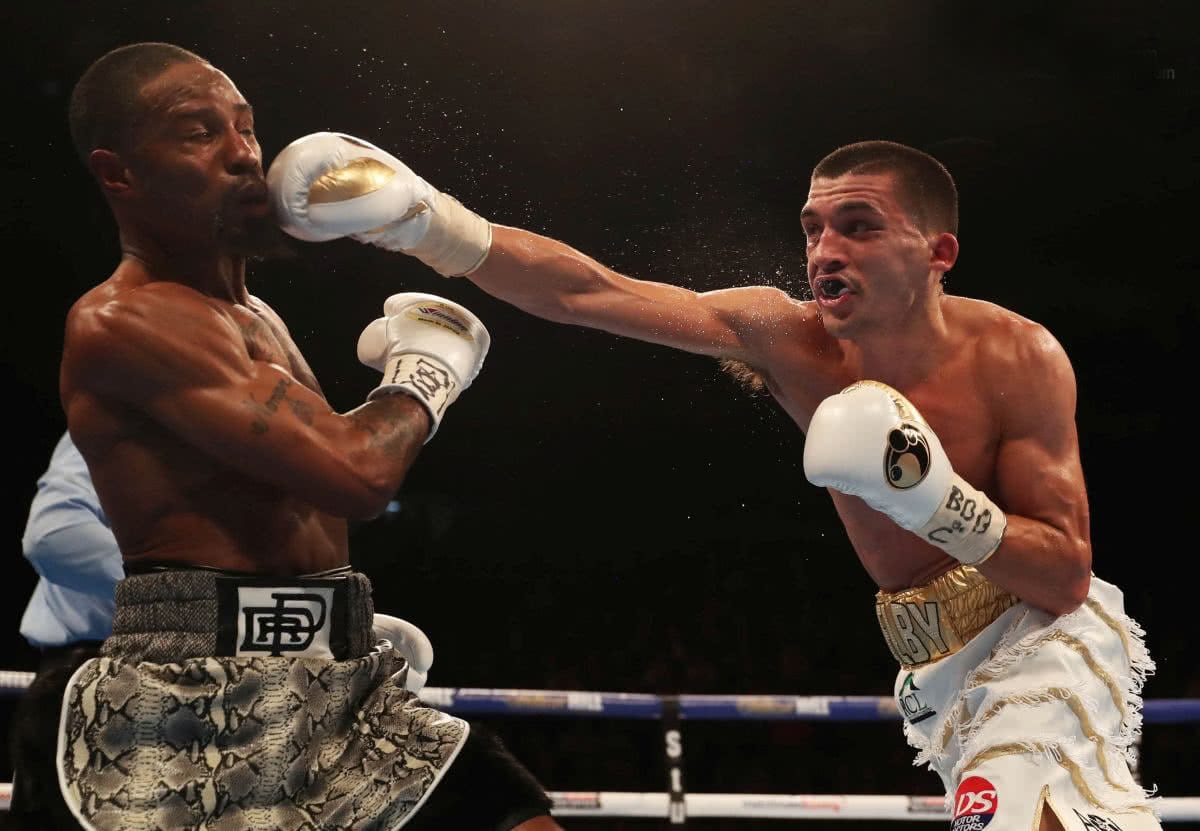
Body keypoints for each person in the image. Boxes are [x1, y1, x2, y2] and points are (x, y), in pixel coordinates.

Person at [267, 132, 1161, 831]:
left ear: (939, 251)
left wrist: (936, 501)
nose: (823, 247)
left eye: (857, 224)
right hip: (930, 661)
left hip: (1041, 635)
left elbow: (1064, 574)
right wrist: (432, 223)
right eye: (812, 227)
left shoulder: (1016, 353)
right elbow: (590, 291)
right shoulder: (787, 338)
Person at [56, 42, 560, 831]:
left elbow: (289, 505)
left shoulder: (256, 318)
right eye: (199, 132)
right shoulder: (125, 319)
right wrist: (426, 370)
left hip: (336, 680)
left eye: (245, 126)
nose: (244, 154)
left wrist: (339, 616)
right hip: (193, 700)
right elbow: (354, 474)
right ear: (118, 173)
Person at [9, 430, 121, 829]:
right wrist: (185, 589)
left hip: (206, 680)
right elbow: (53, 536)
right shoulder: (120, 419)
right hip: (88, 679)